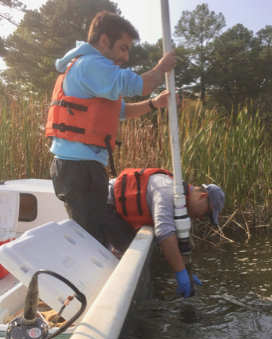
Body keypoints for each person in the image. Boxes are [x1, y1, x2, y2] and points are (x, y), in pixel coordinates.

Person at [46, 11, 176, 247]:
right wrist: (161, 67)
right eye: (123, 48)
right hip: (78, 168)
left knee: (94, 232)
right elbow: (140, 84)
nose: (126, 56)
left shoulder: (90, 68)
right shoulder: (92, 64)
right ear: (104, 41)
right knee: (90, 238)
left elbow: (120, 111)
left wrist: (153, 104)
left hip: (80, 166)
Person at [106, 168, 225, 298]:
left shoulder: (182, 208)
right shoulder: (167, 190)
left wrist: (187, 270)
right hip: (104, 202)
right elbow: (164, 233)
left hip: (118, 213)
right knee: (127, 250)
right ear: (203, 197)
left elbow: (180, 242)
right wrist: (180, 271)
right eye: (207, 213)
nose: (203, 217)